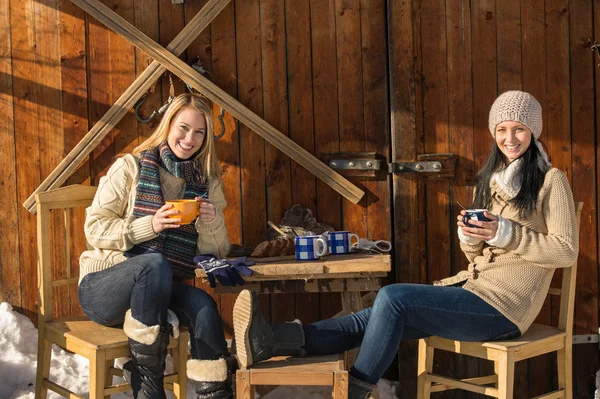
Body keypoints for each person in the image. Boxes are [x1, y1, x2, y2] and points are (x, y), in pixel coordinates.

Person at [231, 90, 579, 398]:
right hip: (475, 292)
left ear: (533, 131)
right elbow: (479, 255)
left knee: (393, 298)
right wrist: (471, 238)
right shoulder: (491, 181)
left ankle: (355, 390)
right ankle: (271, 340)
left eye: (518, 128)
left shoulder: (551, 181)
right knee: (370, 318)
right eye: (502, 129)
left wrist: (505, 232)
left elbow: (565, 250)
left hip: (505, 309)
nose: (510, 138)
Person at [78, 93, 237, 399]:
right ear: (167, 126)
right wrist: (148, 226)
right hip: (104, 289)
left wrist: (209, 220)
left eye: (199, 132)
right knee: (154, 263)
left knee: (203, 306)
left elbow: (218, 252)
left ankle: (215, 391)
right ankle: (148, 381)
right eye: (183, 128)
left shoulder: (207, 183)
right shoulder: (130, 167)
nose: (189, 139)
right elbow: (94, 228)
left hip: (158, 291)